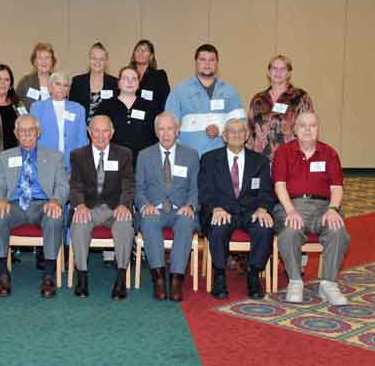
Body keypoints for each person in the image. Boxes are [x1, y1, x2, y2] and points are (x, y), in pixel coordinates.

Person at [272, 112, 350, 306]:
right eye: (303, 126)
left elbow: (336, 187)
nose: (308, 129)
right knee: (290, 231)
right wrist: (290, 211)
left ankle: (328, 283)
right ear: (295, 130)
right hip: (291, 204)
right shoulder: (283, 152)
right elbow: (279, 185)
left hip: (323, 207)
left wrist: (333, 208)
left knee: (337, 230)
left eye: (312, 125)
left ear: (318, 129)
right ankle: (295, 281)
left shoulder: (329, 153)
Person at [0, 115, 69, 298]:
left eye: (31, 130)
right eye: (22, 131)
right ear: (16, 133)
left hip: (43, 204)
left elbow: (63, 185)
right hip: (14, 206)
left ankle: (49, 275)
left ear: (38, 132)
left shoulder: (55, 156)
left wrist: (56, 200)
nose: (26, 134)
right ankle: (2, 274)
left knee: (55, 216)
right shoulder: (4, 157)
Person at [198, 118, 275, 299]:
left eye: (241, 131)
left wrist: (263, 208)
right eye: (231, 131)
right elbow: (204, 189)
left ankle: (254, 275)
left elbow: (266, 190)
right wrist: (215, 207)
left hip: (251, 211)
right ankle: (219, 275)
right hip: (222, 210)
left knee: (265, 229)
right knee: (217, 228)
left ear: (247, 136)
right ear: (224, 136)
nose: (236, 135)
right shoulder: (209, 159)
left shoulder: (260, 161)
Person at [135, 112, 199, 301]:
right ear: (156, 132)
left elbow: (196, 189)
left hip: (181, 209)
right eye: (161, 129)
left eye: (169, 129)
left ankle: (176, 280)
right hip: (155, 208)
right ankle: (159, 278)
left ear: (177, 131)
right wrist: (145, 205)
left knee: (187, 222)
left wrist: (190, 205)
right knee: (148, 220)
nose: (166, 133)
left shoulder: (191, 155)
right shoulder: (144, 155)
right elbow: (138, 189)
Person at [69, 115, 135, 300]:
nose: (100, 135)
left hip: (115, 208)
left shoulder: (124, 154)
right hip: (89, 208)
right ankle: (81, 277)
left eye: (105, 131)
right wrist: (80, 205)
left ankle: (121, 278)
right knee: (79, 225)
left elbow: (128, 184)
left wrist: (124, 205)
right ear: (89, 132)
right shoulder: (78, 155)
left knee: (124, 226)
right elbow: (75, 185)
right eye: (96, 131)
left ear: (112, 133)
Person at [166, 44, 245, 157]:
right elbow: (168, 127)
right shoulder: (179, 91)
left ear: (217, 63)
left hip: (222, 159)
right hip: (189, 158)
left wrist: (220, 130)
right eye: (202, 60)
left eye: (211, 60)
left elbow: (241, 125)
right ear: (196, 62)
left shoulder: (230, 92)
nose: (207, 64)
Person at [247, 54, 314, 162]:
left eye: (283, 69)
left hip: (291, 161)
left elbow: (309, 131)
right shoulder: (258, 99)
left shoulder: (300, 97)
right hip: (260, 161)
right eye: (274, 68)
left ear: (289, 73)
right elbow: (250, 131)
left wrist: (308, 158)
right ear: (268, 72)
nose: (278, 72)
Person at [96, 66, 159, 166]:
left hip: (143, 162)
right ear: (119, 83)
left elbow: (156, 136)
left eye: (134, 79)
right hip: (112, 161)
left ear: (139, 83)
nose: (130, 82)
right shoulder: (105, 106)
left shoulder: (150, 107)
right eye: (125, 78)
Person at [30, 71, 88, 172]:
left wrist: (80, 163)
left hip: (71, 163)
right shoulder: (37, 107)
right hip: (44, 162)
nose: (62, 88)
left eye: (66, 85)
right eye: (58, 84)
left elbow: (82, 139)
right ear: (50, 87)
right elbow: (32, 137)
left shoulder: (78, 109)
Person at [69, 42, 119, 123]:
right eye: (94, 58)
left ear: (106, 61)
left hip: (106, 132)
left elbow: (116, 111)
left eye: (101, 59)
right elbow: (72, 109)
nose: (97, 62)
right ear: (89, 59)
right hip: (82, 130)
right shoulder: (77, 81)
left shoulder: (114, 83)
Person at [129, 39, 170, 112]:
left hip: (151, 117)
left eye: (145, 51)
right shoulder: (127, 75)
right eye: (138, 50)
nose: (141, 53)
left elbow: (164, 101)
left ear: (151, 56)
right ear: (134, 55)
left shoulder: (159, 75)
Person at [16, 43, 56, 109]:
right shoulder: (25, 82)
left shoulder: (59, 83)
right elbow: (17, 106)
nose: (44, 61)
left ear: (52, 61)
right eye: (40, 58)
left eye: (47, 58)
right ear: (34, 61)